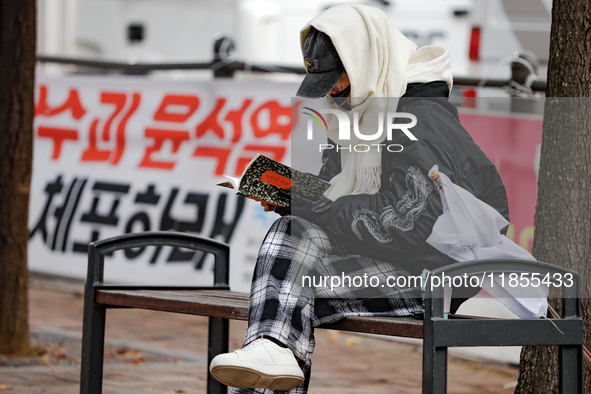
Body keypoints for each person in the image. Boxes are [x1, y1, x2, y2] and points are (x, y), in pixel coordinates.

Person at [209, 4, 509, 394]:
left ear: (366, 60)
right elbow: (338, 197)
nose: (333, 92)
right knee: (288, 269)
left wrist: (309, 204)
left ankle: (270, 348)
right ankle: (271, 349)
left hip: (439, 273)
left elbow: (405, 224)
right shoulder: (361, 110)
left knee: (285, 295)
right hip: (393, 256)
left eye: (339, 80)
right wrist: (290, 197)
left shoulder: (420, 119)